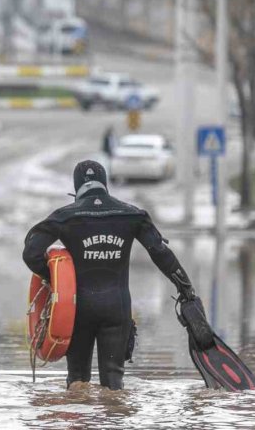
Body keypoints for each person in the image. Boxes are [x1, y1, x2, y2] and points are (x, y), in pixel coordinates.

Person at [22, 160, 200, 390]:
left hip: (78, 310)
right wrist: (185, 288)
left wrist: (57, 279)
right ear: (105, 184)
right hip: (117, 309)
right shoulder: (132, 215)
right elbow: (160, 252)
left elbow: (31, 253)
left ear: (76, 188)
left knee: (77, 384)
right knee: (114, 387)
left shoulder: (64, 217)